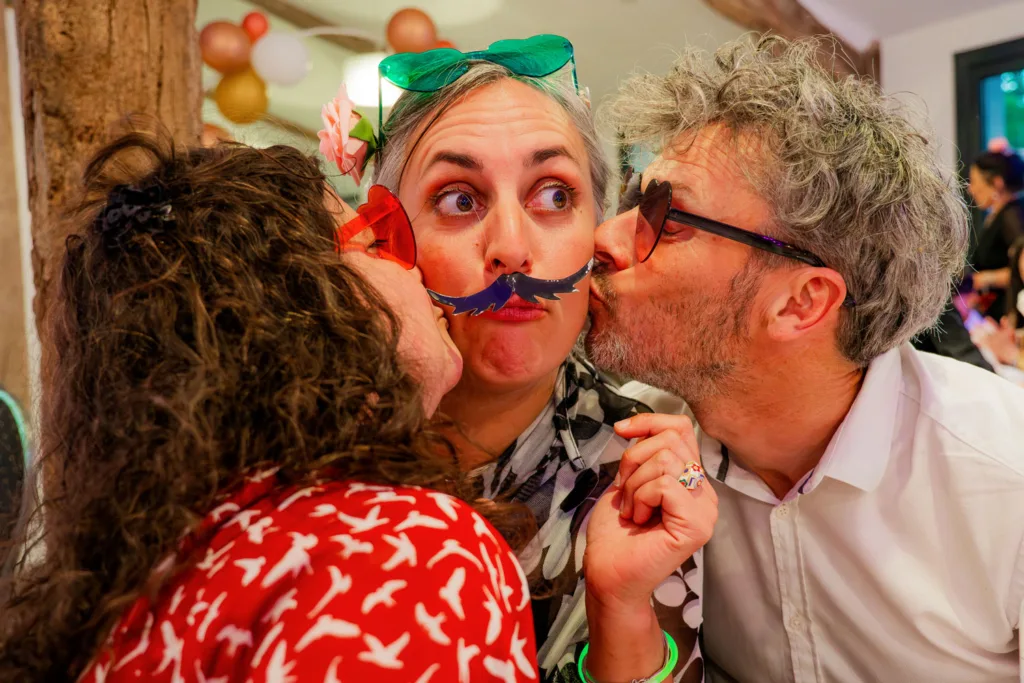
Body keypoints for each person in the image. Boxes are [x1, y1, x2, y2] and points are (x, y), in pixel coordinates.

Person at [0, 132, 537, 682]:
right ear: (313, 298)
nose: (414, 269)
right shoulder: (400, 553)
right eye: (378, 243)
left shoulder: (163, 570)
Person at [586, 35, 1024, 682]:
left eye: (666, 219)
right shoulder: (631, 446)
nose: (603, 237)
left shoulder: (1002, 476)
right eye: (628, 205)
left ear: (801, 302)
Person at [364, 34, 705, 682]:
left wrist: (621, 604)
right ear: (384, 237)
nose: (513, 250)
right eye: (460, 199)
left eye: (554, 196)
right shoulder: (304, 430)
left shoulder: (633, 472)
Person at [967, 148, 1024, 322]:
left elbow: (1019, 266)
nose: (971, 189)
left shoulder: (1011, 216)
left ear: (997, 183)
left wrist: (985, 279)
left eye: (975, 182)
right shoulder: (997, 215)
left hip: (1010, 316)